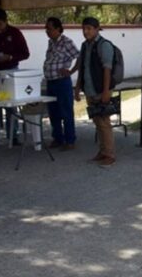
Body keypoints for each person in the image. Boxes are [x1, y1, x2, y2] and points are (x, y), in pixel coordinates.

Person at [0, 8, 30, 147]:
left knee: (11, 105)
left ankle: (13, 136)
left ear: (6, 21)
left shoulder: (15, 33)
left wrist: (9, 56)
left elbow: (25, 53)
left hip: (10, 72)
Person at [74, 17, 116, 168]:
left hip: (101, 89)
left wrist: (105, 91)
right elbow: (82, 68)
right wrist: (78, 87)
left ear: (97, 29)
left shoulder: (104, 45)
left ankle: (110, 155)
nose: (86, 32)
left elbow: (107, 69)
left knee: (104, 123)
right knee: (97, 122)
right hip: (90, 89)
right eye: (84, 29)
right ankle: (102, 151)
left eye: (89, 29)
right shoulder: (85, 46)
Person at [43, 17, 80, 151]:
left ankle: (70, 140)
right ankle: (58, 138)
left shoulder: (66, 42)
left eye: (50, 29)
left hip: (62, 81)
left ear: (58, 29)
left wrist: (71, 71)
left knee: (65, 111)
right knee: (53, 112)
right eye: (46, 29)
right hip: (51, 81)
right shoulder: (51, 43)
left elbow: (79, 56)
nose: (47, 31)